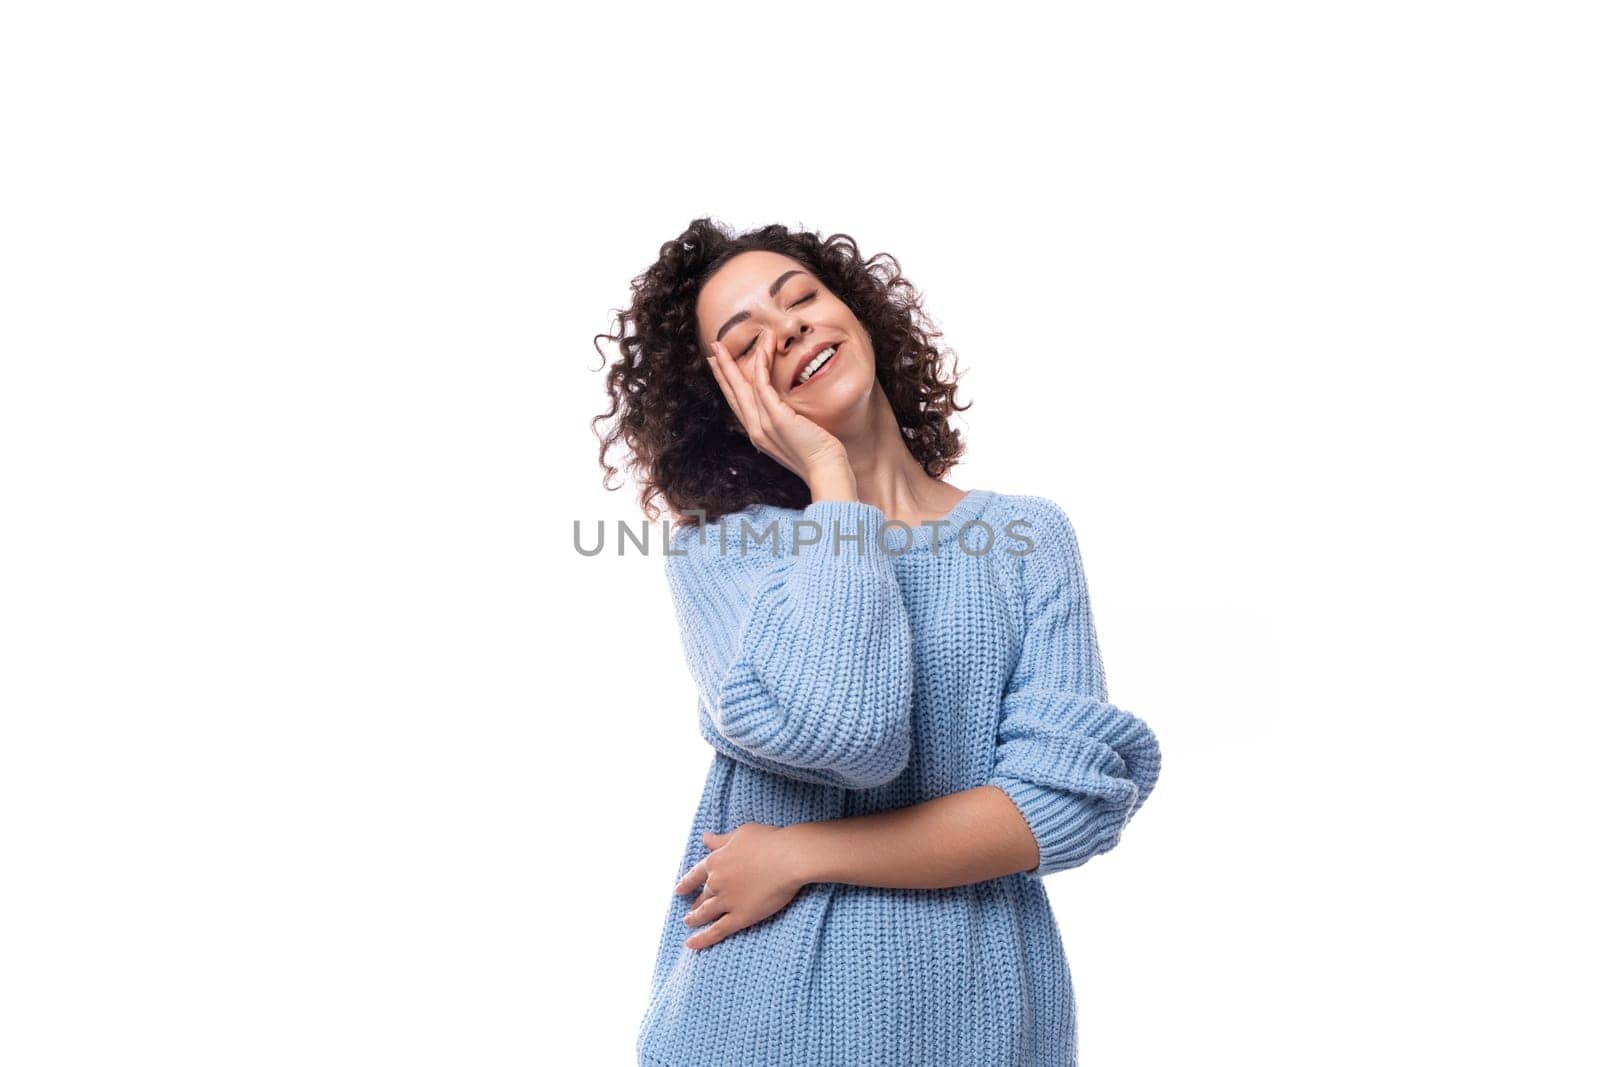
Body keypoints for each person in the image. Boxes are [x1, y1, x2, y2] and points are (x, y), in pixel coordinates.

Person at [593, 218, 1162, 1066]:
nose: (788, 331)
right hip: (763, 1019)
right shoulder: (722, 552)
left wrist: (800, 854)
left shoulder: (1025, 537)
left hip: (985, 1018)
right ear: (727, 407)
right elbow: (843, 731)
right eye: (746, 344)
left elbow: (1067, 803)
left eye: (803, 300)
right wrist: (832, 483)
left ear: (857, 313)